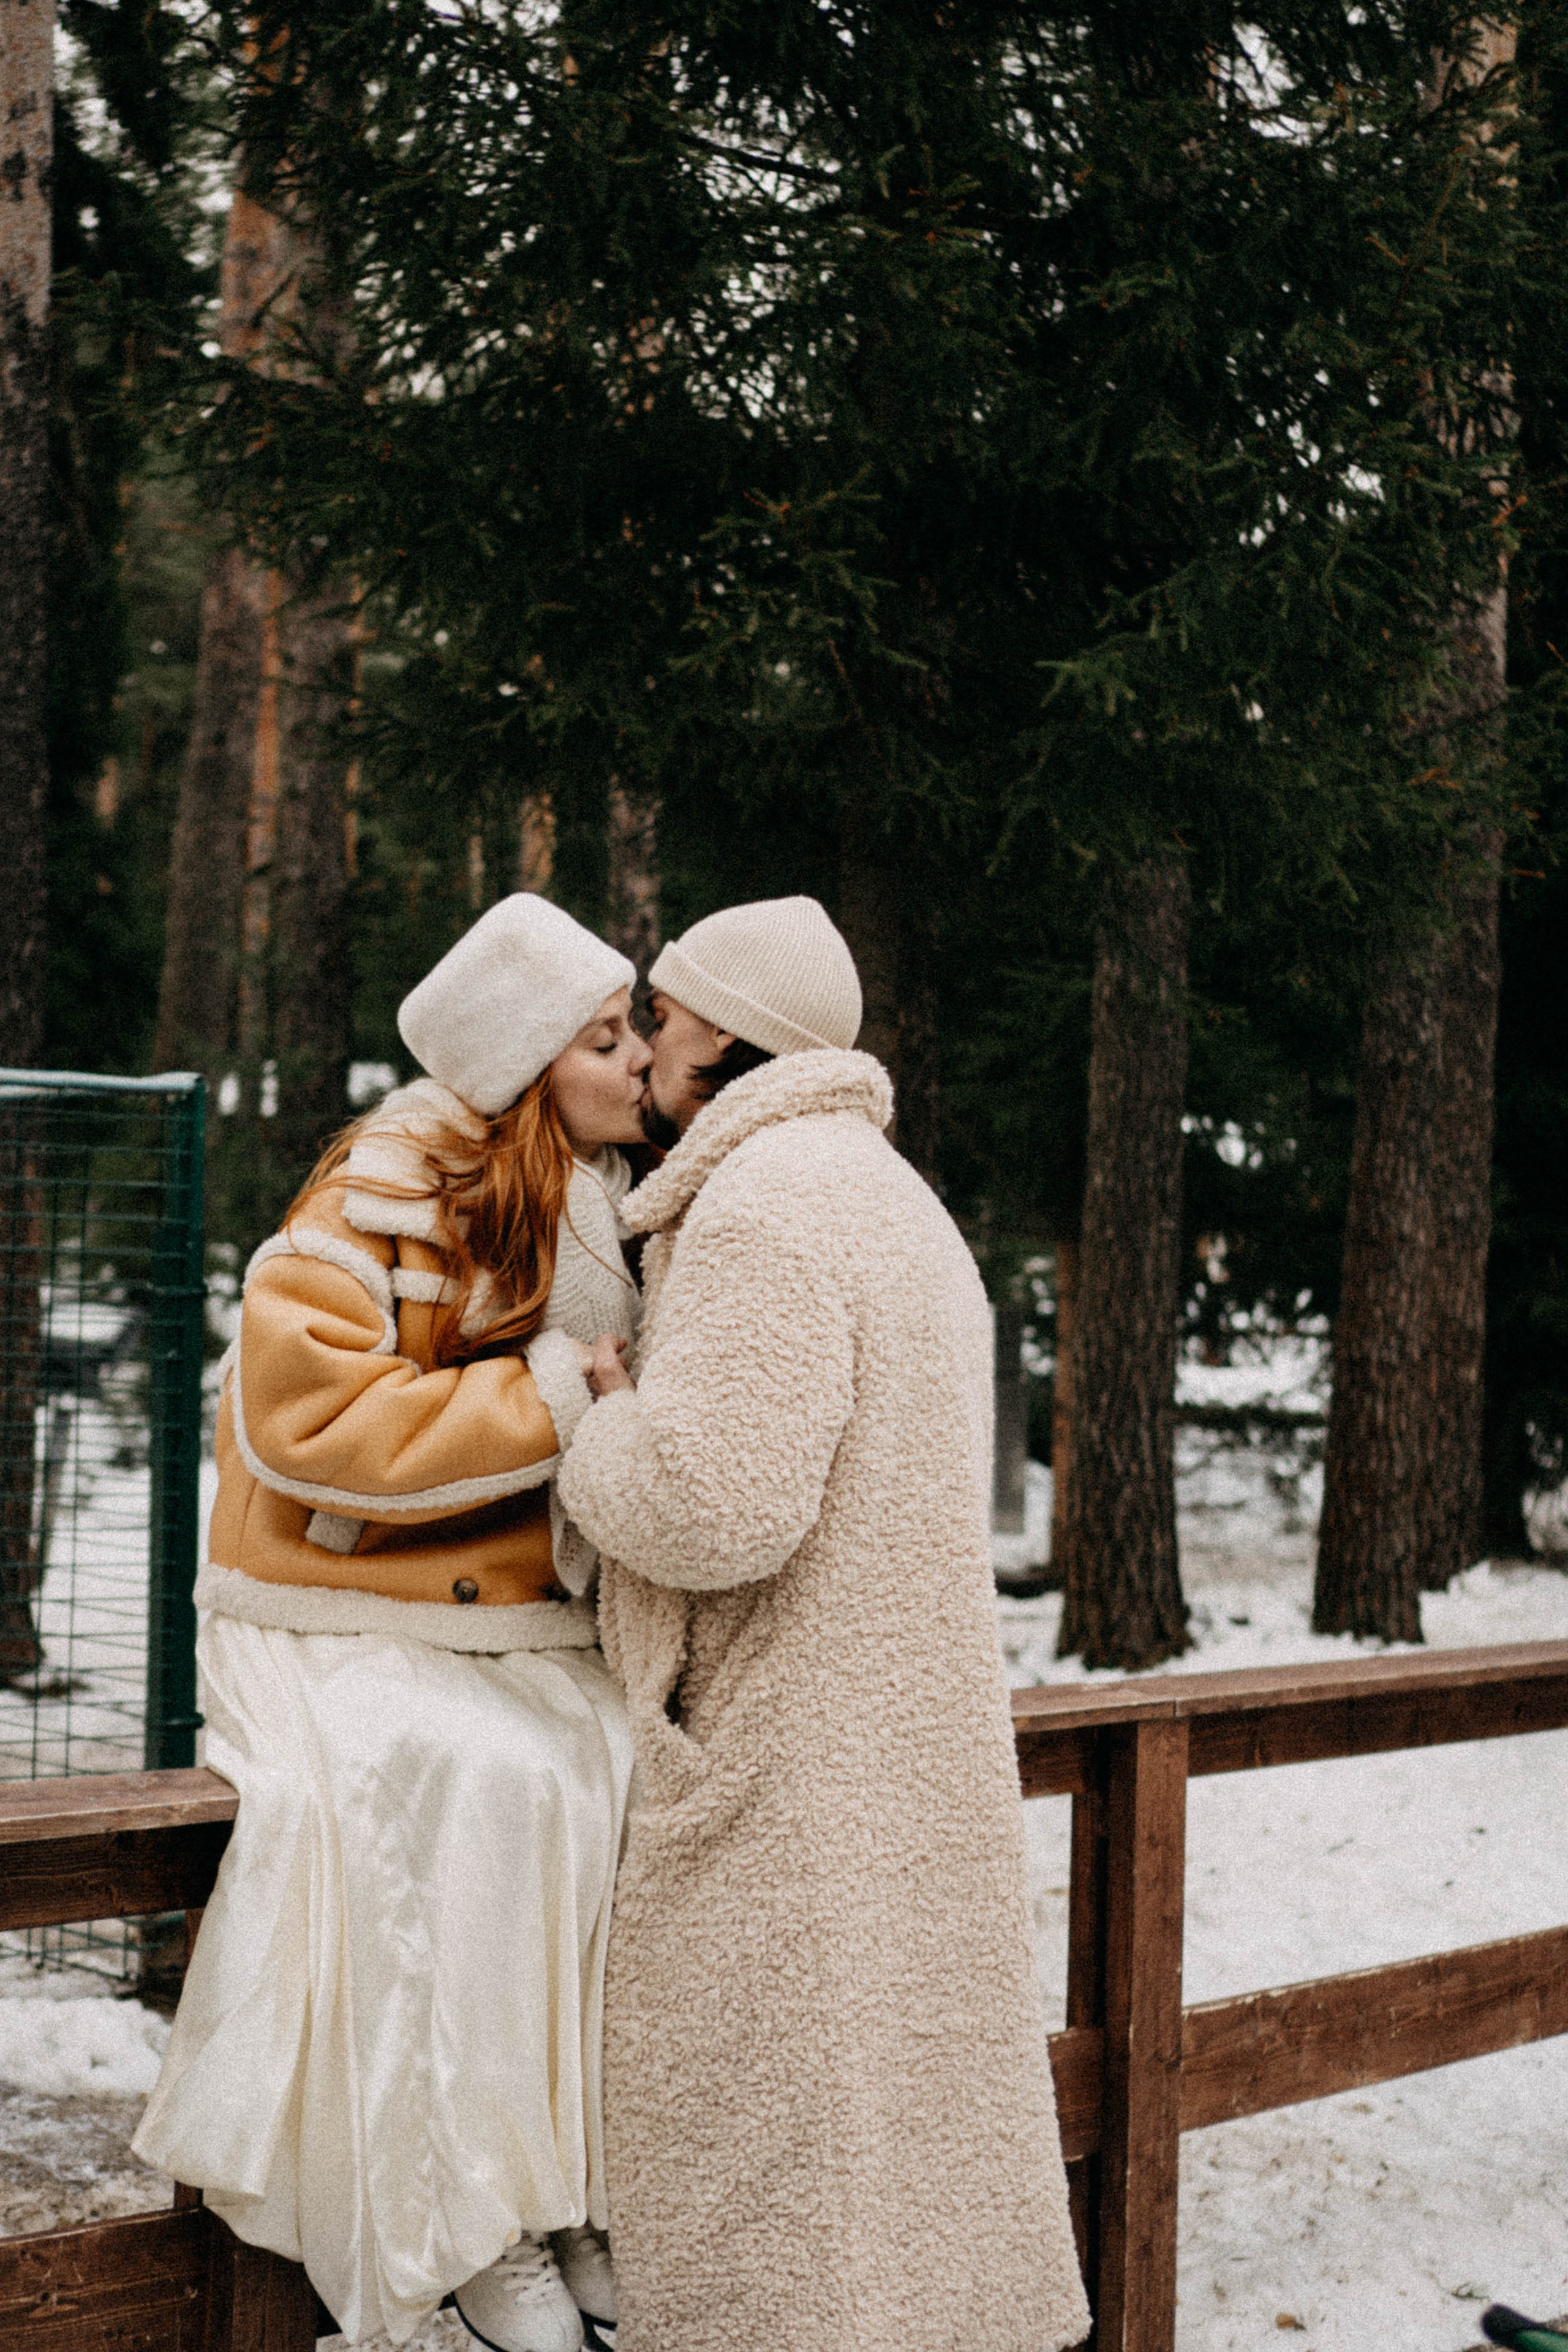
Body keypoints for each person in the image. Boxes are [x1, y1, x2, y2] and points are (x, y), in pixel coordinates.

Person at [559, 895, 1090, 2352]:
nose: (646, 1043)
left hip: (787, 1765)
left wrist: (604, 1423)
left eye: (659, 1014)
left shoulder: (761, 1205)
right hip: (891, 1746)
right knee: (884, 2189)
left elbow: (717, 1504)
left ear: (721, 1031)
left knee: (775, 2194)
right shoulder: (886, 1197)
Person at [134, 894, 647, 2352]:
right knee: (470, 1790)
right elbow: (308, 1418)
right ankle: (466, 2217)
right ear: (525, 1059)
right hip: (331, 1606)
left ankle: (567, 2190)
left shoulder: (596, 1193)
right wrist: (552, 1395)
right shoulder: (380, 1184)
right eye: (602, 1039)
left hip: (496, 1624)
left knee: (609, 1779)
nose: (633, 1065)